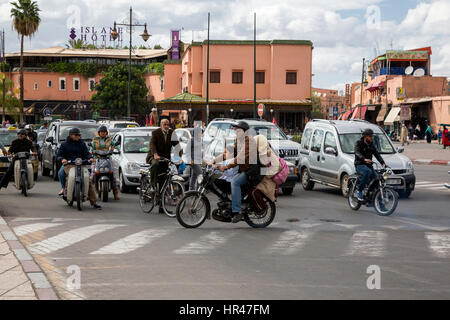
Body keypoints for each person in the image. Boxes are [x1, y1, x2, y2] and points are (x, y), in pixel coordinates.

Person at [217, 121, 258, 223]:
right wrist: (214, 161)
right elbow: (230, 152)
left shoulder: (249, 141)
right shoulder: (238, 141)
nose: (236, 132)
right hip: (243, 169)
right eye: (235, 130)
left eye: (238, 130)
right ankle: (227, 202)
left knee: (234, 182)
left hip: (251, 170)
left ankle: (237, 211)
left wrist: (226, 166)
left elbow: (240, 158)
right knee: (222, 180)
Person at [57, 128, 101, 209]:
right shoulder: (64, 144)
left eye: (79, 135)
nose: (78, 136)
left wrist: (90, 158)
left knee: (88, 180)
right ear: (70, 135)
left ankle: (94, 201)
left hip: (81, 164)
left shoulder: (82, 144)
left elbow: (86, 153)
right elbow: (59, 155)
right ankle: (66, 195)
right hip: (69, 164)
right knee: (69, 177)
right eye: (76, 135)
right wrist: (62, 159)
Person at [146, 118, 182, 213]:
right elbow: (152, 145)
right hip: (155, 156)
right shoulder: (155, 133)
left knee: (164, 181)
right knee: (155, 164)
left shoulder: (171, 133)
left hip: (165, 158)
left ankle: (161, 207)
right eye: (164, 124)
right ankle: (153, 186)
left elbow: (177, 146)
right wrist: (155, 154)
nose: (166, 126)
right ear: (161, 125)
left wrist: (179, 157)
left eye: (167, 124)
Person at [354, 128, 386, 201]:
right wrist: (364, 159)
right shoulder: (358, 143)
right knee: (367, 171)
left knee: (377, 180)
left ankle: (374, 199)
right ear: (366, 137)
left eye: (372, 136)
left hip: (368, 165)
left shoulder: (371, 145)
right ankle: (359, 191)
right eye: (370, 136)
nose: (372, 138)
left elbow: (377, 154)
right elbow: (357, 152)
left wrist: (383, 163)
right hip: (359, 164)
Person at [90, 125, 120, 200]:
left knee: (113, 175)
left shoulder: (110, 140)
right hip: (97, 159)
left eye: (104, 132)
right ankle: (89, 193)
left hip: (107, 159)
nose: (103, 133)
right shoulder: (95, 140)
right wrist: (91, 151)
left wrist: (114, 148)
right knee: (92, 174)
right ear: (99, 133)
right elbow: (91, 148)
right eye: (101, 132)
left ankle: (115, 193)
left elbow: (115, 146)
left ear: (106, 133)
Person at [182, 126, 203, 191]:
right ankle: (198, 190)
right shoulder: (191, 140)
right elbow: (187, 151)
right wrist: (190, 160)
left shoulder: (200, 140)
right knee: (200, 174)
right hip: (193, 161)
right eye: (200, 132)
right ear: (196, 133)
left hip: (198, 160)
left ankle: (191, 190)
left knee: (194, 176)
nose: (201, 134)